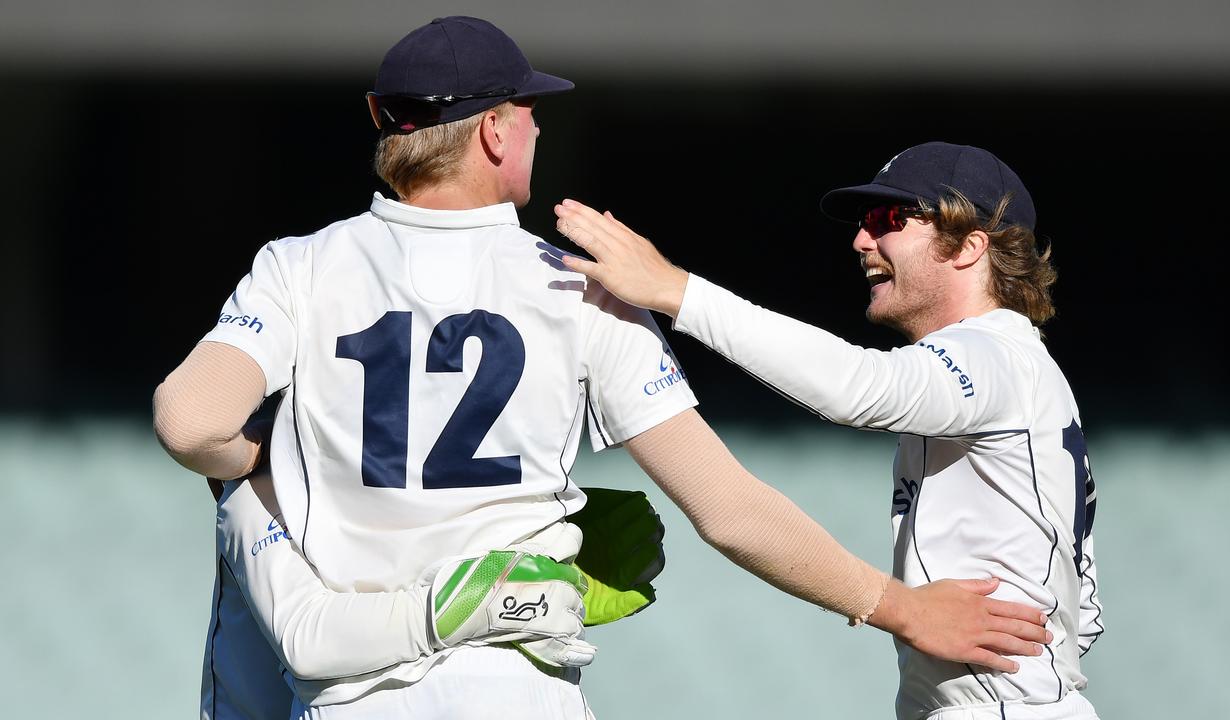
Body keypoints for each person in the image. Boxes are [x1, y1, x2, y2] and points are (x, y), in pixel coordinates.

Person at [153, 16, 1051, 717]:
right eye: (531, 112)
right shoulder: (576, 288)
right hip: (516, 687)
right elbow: (729, 511)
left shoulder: (299, 266)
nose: (539, 128)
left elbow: (191, 424)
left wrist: (270, 459)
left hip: (350, 693)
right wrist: (892, 605)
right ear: (496, 134)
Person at [552, 141, 1104, 720]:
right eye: (866, 222)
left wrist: (676, 291)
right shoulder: (1017, 369)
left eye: (891, 219)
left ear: (969, 247)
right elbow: (1083, 608)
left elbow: (860, 387)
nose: (863, 241)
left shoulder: (994, 354)